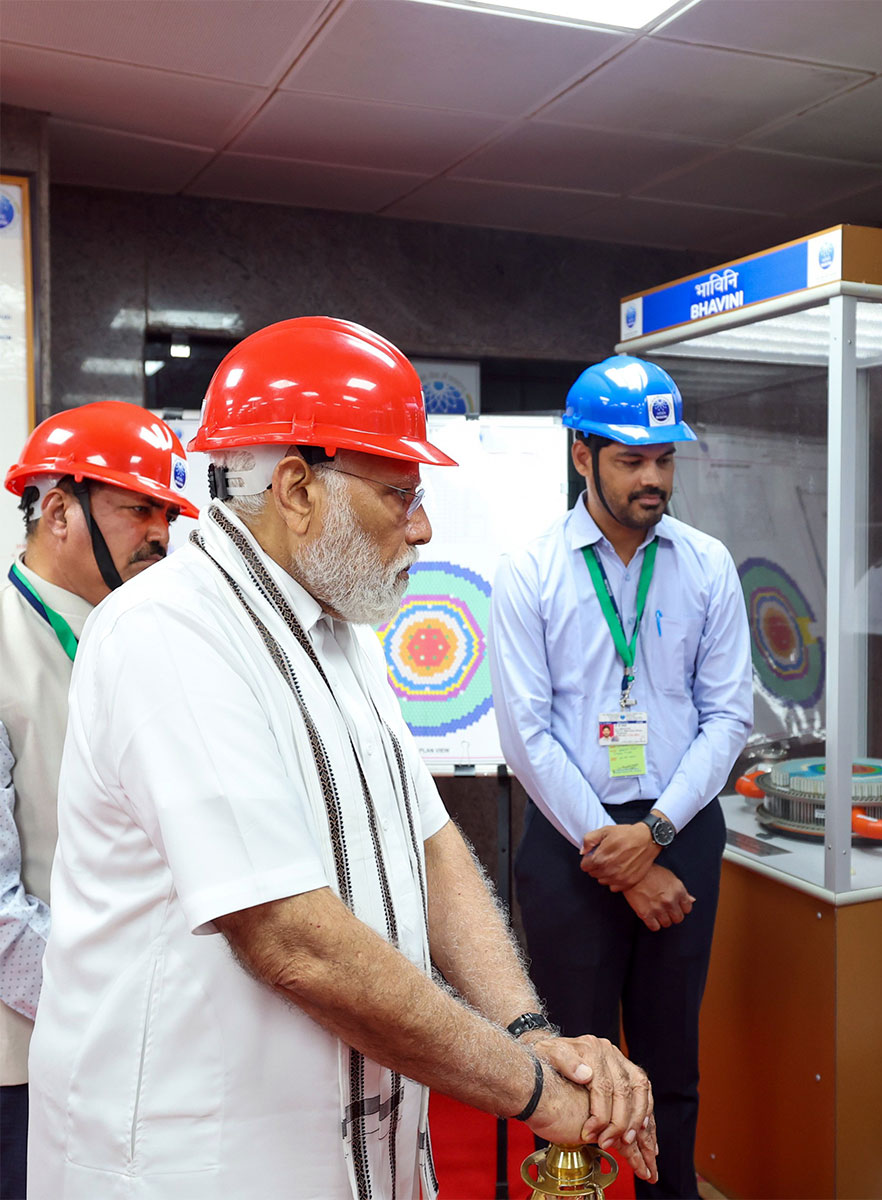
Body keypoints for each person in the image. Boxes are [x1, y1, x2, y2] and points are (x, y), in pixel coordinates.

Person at [28, 318, 658, 1200]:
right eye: (401, 494)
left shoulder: (342, 635)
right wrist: (531, 1089)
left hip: (356, 1150)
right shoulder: (168, 631)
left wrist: (529, 1031)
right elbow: (292, 941)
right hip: (198, 1161)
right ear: (296, 489)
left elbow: (432, 846)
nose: (426, 527)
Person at [491, 354, 754, 1199]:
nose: (653, 478)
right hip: (572, 841)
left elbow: (728, 717)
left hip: (679, 829)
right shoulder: (529, 569)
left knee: (672, 1063)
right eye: (631, 459)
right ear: (581, 455)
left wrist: (656, 838)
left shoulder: (707, 564)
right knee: (575, 1070)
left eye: (665, 459)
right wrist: (615, 853)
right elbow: (525, 733)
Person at [0, 401, 196, 1198]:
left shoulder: (156, 640)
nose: (160, 532)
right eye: (136, 507)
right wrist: (106, 1010)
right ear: (57, 512)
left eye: (168, 512)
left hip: (154, 1046)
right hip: (31, 1052)